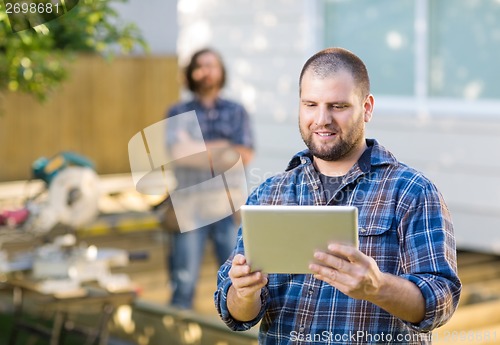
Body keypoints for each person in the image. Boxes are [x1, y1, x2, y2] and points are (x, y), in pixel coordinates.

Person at [214, 47, 461, 344]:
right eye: (310, 104)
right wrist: (244, 292)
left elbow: (441, 301)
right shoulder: (269, 194)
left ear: (367, 108)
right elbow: (236, 314)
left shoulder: (412, 191)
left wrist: (377, 286)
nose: (321, 119)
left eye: (338, 106)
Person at [164, 48, 254, 310]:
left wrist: (197, 148)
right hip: (188, 205)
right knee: (184, 280)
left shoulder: (237, 111)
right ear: (191, 73)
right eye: (200, 66)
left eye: (212, 65)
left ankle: (233, 331)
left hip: (227, 204)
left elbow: (244, 155)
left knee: (235, 280)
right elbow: (179, 155)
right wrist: (224, 149)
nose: (206, 71)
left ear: (221, 71)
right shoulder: (177, 111)